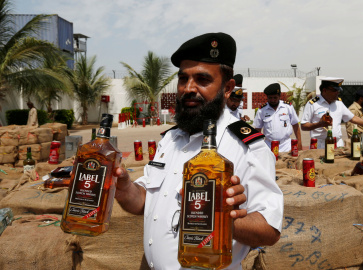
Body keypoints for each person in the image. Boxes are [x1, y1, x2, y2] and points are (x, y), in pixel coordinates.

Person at [114, 32, 283, 269]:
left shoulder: (249, 148)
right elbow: (146, 201)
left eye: (202, 79)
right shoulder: (172, 138)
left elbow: (270, 230)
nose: (188, 88)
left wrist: (222, 217)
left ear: (228, 87)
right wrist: (124, 190)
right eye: (183, 79)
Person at [301, 77, 363, 149]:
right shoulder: (313, 104)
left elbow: (353, 118)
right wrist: (319, 124)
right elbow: (304, 126)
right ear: (324, 90)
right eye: (334, 90)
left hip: (338, 143)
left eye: (338, 90)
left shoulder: (339, 103)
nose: (337, 93)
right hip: (320, 144)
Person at [253, 83, 302, 152]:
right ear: (267, 97)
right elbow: (257, 129)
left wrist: (299, 143)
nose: (272, 100)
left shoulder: (288, 107)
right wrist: (257, 146)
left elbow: (295, 125)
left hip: (286, 146)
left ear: (279, 96)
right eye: (270, 98)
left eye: (275, 98)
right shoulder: (262, 110)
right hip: (268, 146)